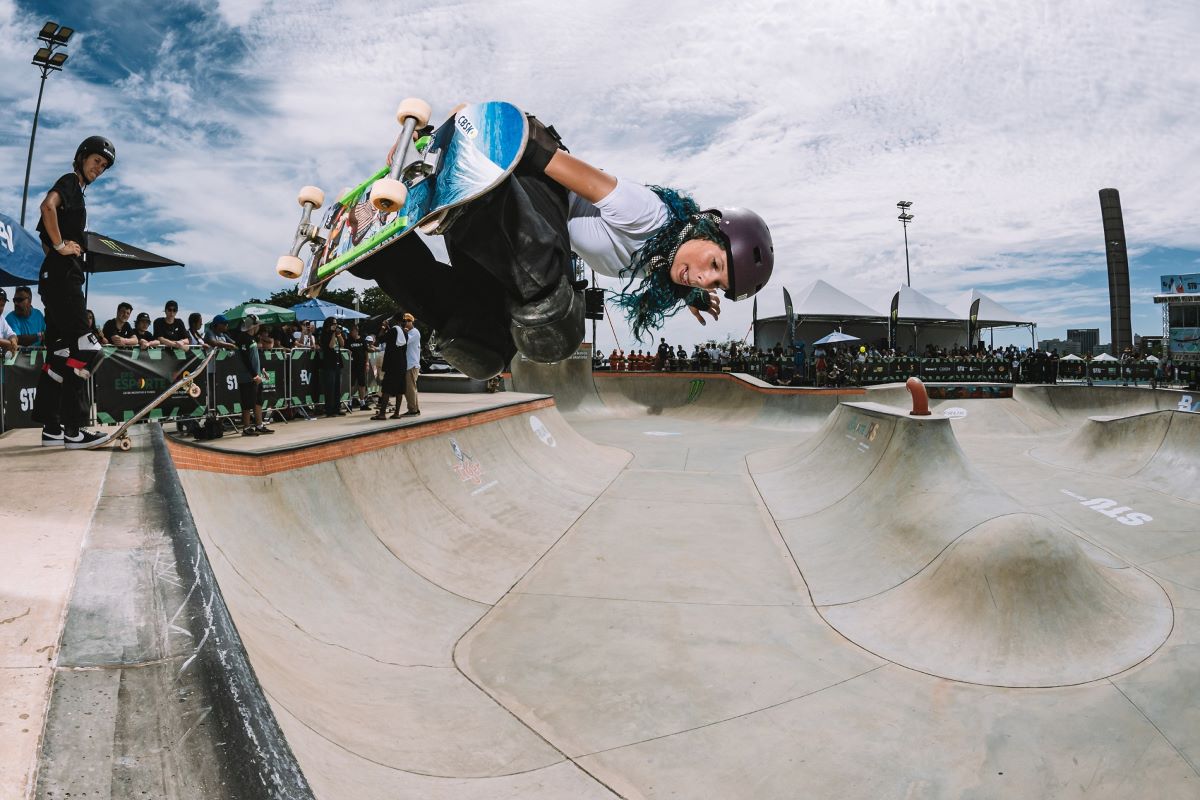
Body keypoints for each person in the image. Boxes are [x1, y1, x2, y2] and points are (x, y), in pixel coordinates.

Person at [350, 112, 773, 380]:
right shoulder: (646, 213)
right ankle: (462, 203)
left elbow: (680, 272)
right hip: (511, 197)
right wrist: (453, 138)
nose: (704, 276)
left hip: (508, 246)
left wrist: (692, 292)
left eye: (716, 282)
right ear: (703, 227)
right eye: (714, 262)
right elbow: (543, 153)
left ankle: (385, 255)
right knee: (553, 312)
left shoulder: (667, 260)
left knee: (488, 348)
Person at [29, 137, 115, 448]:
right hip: (63, 281)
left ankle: (52, 427)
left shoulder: (75, 191)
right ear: (80, 157)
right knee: (88, 349)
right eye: (96, 161)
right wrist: (61, 246)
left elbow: (45, 226)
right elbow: (47, 207)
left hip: (54, 278)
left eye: (103, 166)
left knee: (61, 355)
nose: (99, 168)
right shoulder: (69, 182)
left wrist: (55, 251)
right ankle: (74, 430)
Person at [230, 314, 274, 436]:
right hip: (247, 377)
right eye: (258, 325)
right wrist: (254, 374)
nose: (259, 327)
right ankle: (246, 428)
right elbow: (245, 359)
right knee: (247, 402)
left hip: (256, 376)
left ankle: (259, 425)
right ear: (253, 326)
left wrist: (261, 370)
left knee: (257, 401)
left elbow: (255, 358)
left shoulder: (252, 339)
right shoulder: (243, 338)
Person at [372, 313, 407, 420]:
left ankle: (382, 414)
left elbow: (379, 340)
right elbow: (396, 340)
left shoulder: (393, 331)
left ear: (395, 320)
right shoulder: (405, 333)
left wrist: (383, 328)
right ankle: (397, 413)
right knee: (400, 389)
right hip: (402, 364)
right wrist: (389, 328)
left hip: (392, 364)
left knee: (386, 388)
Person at [317, 317, 346, 417]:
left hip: (338, 361)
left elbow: (342, 344)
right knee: (330, 388)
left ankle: (337, 408)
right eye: (334, 323)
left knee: (337, 387)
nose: (335, 325)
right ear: (329, 324)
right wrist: (333, 334)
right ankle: (329, 410)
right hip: (329, 363)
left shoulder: (337, 333)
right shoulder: (325, 334)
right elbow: (331, 346)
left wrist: (339, 334)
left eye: (336, 323)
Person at [398, 312, 421, 417]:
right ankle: (414, 409)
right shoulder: (410, 332)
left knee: (409, 389)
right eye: (404, 321)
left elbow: (403, 341)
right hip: (409, 364)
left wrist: (401, 331)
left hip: (411, 364)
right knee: (411, 388)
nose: (405, 323)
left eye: (407, 321)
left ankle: (413, 410)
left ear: (411, 321)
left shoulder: (414, 332)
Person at [345, 322, 371, 410]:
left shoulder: (362, 340)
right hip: (352, 365)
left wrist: (367, 363)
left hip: (361, 365)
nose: (351, 333)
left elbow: (366, 352)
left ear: (356, 331)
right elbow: (345, 349)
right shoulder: (348, 341)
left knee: (362, 384)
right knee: (351, 384)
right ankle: (350, 402)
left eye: (353, 331)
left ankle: (362, 402)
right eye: (350, 331)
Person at [0, 289, 19, 354]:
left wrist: (13, 340)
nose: (0, 308)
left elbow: (12, 334)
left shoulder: (1, 319)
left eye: (2, 305)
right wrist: (8, 343)